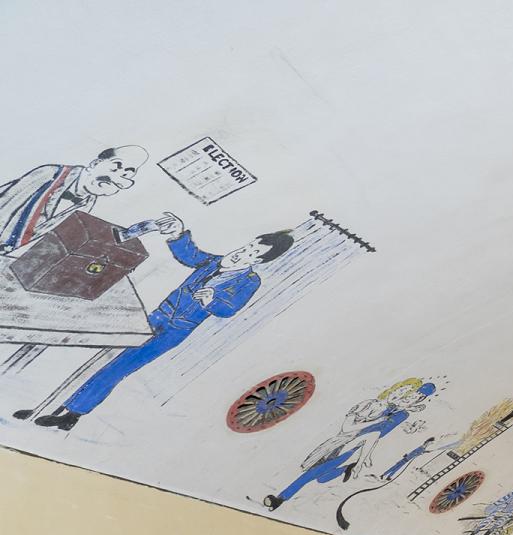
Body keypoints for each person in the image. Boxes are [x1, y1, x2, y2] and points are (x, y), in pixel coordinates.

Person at [19, 216, 294, 431]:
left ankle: (71, 412)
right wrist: (177, 232)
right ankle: (54, 408)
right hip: (157, 316)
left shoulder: (248, 281)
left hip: (175, 331)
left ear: (259, 260)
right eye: (246, 246)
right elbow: (190, 255)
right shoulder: (214, 262)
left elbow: (230, 309)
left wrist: (211, 300)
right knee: (104, 356)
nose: (242, 253)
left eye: (251, 253)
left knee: (117, 368)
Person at [263, 381, 436, 510]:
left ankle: (281, 498)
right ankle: (344, 470)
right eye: (410, 394)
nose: (410, 398)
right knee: (317, 476)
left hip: (355, 446)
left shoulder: (401, 415)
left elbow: (378, 434)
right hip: (343, 441)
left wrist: (364, 454)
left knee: (315, 475)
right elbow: (349, 426)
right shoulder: (374, 405)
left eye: (418, 398)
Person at [0, 146, 147, 253]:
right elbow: (6, 205)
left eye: (126, 175)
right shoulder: (51, 173)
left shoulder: (88, 202)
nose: (117, 177)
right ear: (95, 164)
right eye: (115, 168)